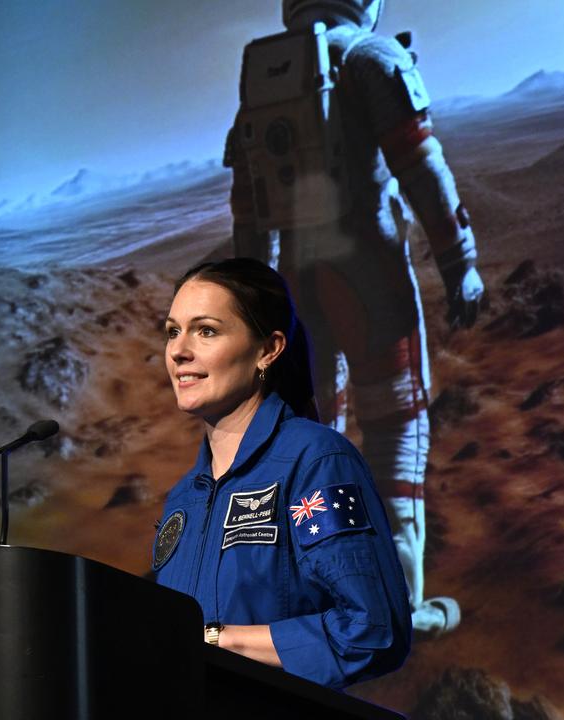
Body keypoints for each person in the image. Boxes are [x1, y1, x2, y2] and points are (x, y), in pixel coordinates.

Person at [224, 0, 480, 636]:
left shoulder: (262, 82)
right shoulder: (370, 59)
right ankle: (399, 603)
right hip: (368, 275)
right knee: (396, 427)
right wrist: (460, 262)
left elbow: (248, 214)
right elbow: (422, 169)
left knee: (316, 442)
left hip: (299, 286)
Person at [151, 258, 410, 690]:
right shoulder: (184, 499)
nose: (178, 350)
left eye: (206, 330)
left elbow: (374, 630)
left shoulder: (315, 460)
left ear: (268, 349)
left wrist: (217, 640)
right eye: (173, 331)